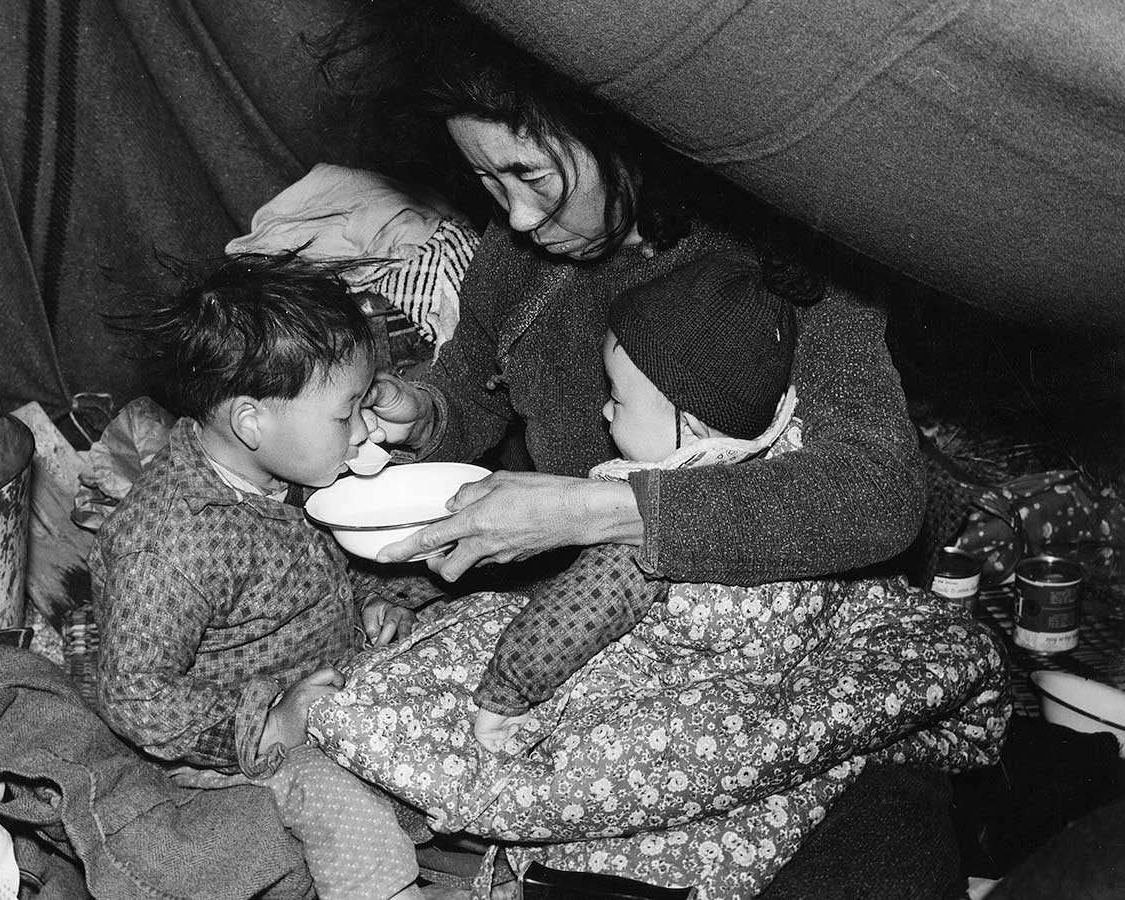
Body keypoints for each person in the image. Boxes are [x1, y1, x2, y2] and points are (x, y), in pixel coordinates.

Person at [326, 12, 964, 900]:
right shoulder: (516, 261)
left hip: (785, 656)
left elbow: (877, 493)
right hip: (597, 634)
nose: (516, 215)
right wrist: (422, 412)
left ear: (630, 137)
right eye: (485, 178)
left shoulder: (784, 264)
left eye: (532, 175)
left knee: (875, 854)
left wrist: (599, 512)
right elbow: (469, 396)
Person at [89, 251, 428, 900]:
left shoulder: (280, 466)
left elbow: (320, 565)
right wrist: (273, 723)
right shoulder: (171, 545)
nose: (364, 430)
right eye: (345, 415)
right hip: (241, 738)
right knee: (340, 800)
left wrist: (370, 600)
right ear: (251, 423)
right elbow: (135, 695)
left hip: (330, 671)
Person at [471, 248, 803, 751]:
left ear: (692, 427)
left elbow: (568, 620)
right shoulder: (786, 456)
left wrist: (504, 694)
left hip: (695, 693)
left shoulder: (637, 537)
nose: (605, 412)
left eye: (617, 398)